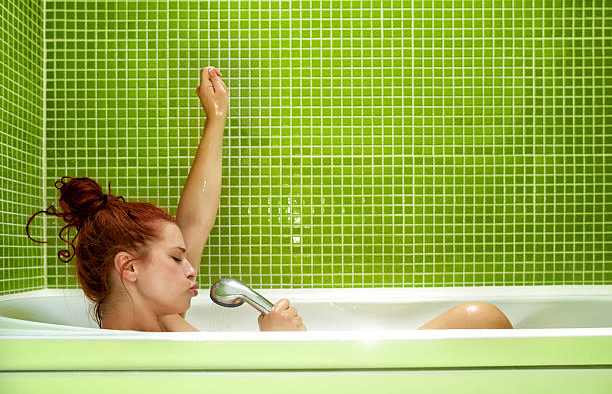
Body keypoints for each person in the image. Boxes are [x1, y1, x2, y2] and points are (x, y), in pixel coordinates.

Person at [26, 67, 512, 332]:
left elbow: (196, 215)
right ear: (129, 268)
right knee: (482, 321)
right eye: (177, 258)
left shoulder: (164, 317)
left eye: (184, 255)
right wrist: (279, 351)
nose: (193, 265)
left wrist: (215, 118)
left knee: (481, 318)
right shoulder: (127, 354)